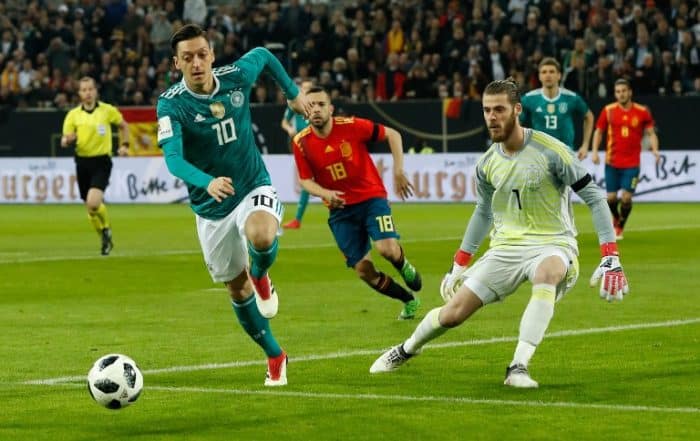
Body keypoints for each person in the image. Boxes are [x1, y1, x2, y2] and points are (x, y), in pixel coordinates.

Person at [370, 78, 629, 388]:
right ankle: (405, 350)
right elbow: (483, 211)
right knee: (453, 314)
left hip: (553, 242)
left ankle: (518, 367)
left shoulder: (551, 151)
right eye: (486, 110)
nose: (492, 117)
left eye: (499, 110)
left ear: (517, 110)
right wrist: (460, 262)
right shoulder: (487, 164)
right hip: (506, 248)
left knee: (548, 273)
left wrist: (610, 254)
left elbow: (595, 197)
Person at [156, 24, 311, 386]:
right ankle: (275, 354)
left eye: (202, 54)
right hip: (211, 209)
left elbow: (264, 55)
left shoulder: (236, 76)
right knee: (235, 289)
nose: (197, 63)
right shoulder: (171, 104)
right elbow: (173, 160)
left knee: (260, 235)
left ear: (211, 54)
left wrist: (292, 92)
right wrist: (206, 182)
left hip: (252, 185)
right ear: (176, 62)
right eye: (188, 57)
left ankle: (261, 274)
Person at [291, 85, 422, 320]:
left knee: (387, 249)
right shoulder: (301, 142)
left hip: (370, 198)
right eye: (311, 105)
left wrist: (398, 170)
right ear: (304, 112)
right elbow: (305, 181)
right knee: (364, 271)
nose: (317, 109)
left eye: (321, 104)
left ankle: (403, 265)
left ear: (331, 108)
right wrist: (325, 193)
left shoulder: (351, 126)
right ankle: (408, 300)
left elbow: (393, 134)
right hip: (340, 211)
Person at [61, 76, 130, 256]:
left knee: (93, 202)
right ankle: (105, 236)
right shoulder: (73, 115)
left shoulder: (107, 110)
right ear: (79, 93)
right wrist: (67, 140)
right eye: (84, 90)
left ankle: (106, 228)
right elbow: (65, 137)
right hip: (82, 162)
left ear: (96, 91)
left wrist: (125, 145)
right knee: (90, 209)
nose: (88, 93)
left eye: (90, 89)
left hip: (101, 161)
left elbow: (124, 126)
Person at [585, 78, 660, 240]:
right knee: (611, 198)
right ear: (615, 94)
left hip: (632, 164)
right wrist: (595, 151)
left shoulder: (642, 111)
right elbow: (598, 131)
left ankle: (620, 226)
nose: (621, 94)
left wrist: (655, 150)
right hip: (612, 162)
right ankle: (616, 218)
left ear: (630, 92)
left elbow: (651, 132)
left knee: (626, 198)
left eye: (624, 91)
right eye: (618, 92)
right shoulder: (608, 110)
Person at [520, 57, 594, 160]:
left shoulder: (571, 97)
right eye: (544, 72)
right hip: (539, 157)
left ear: (559, 75)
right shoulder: (528, 99)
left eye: (552, 71)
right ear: (539, 76)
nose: (548, 75)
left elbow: (589, 116)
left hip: (566, 156)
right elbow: (515, 122)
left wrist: (585, 146)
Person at [281, 79, 313, 229]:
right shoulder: (295, 104)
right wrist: (289, 130)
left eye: (307, 89)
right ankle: (297, 219)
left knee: (308, 180)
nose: (304, 91)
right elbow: (284, 122)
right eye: (303, 88)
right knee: (306, 180)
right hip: (303, 147)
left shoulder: (317, 106)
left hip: (317, 146)